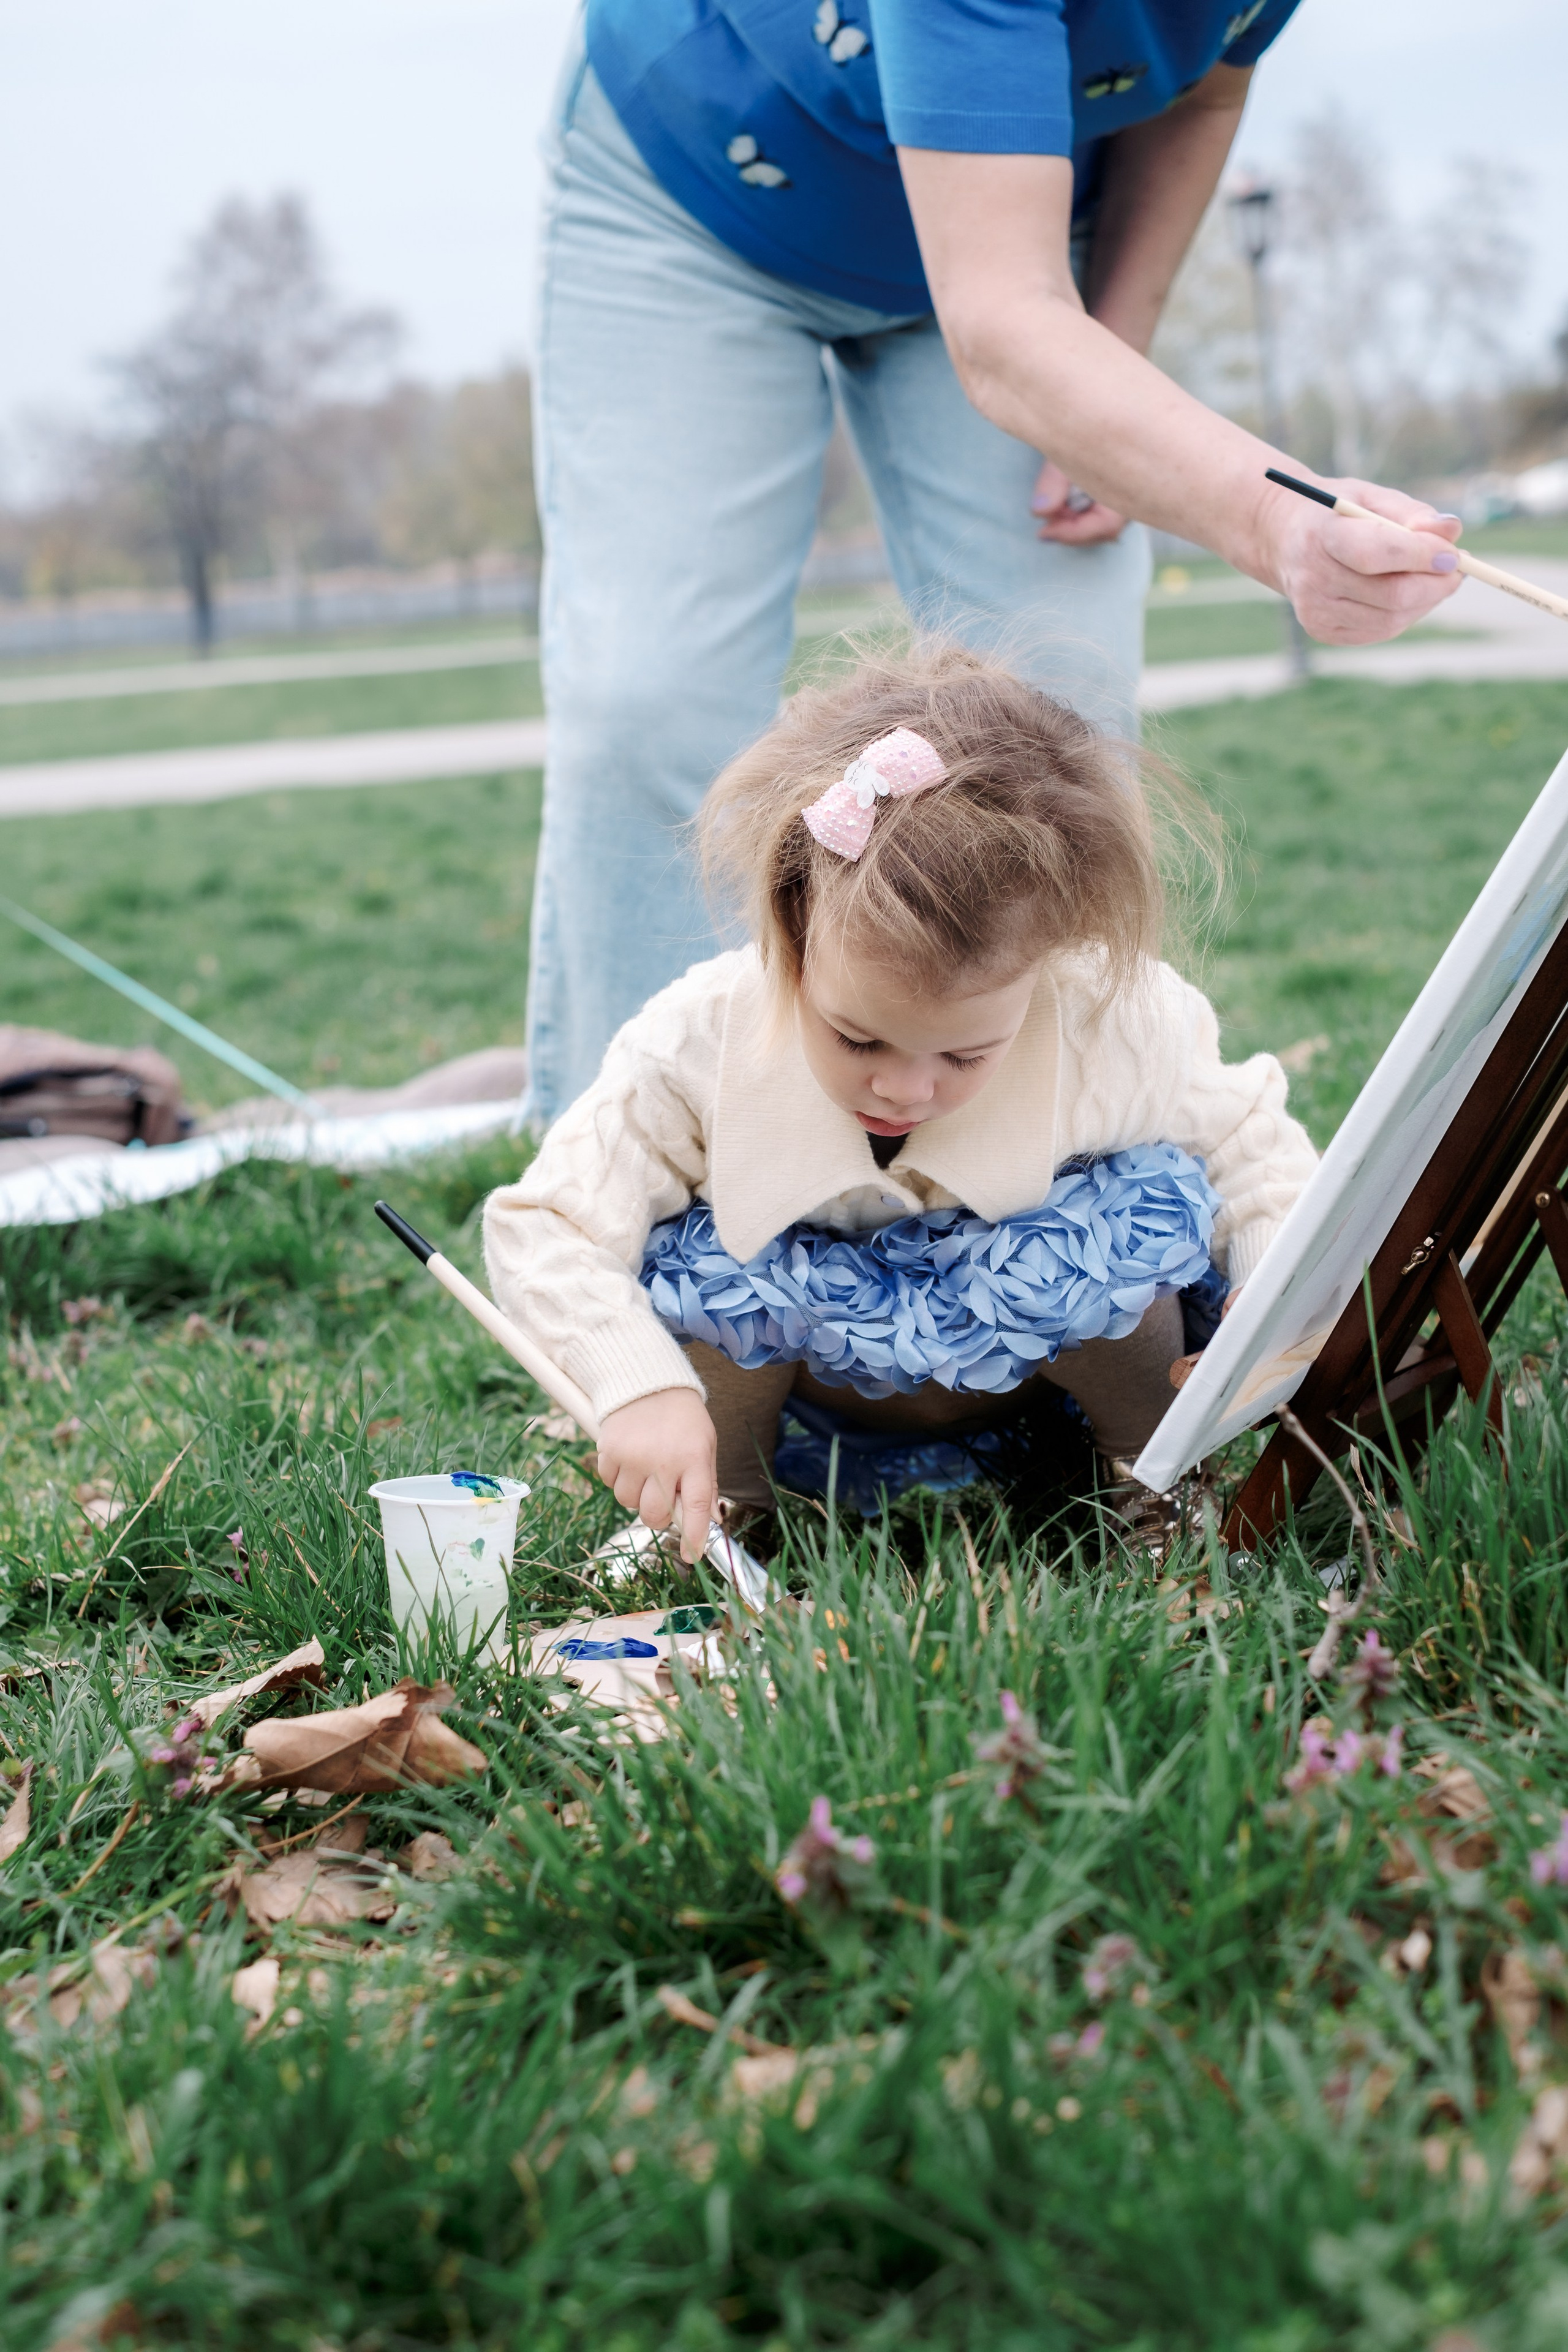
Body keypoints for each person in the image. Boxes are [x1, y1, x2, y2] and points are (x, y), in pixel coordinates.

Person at [524, 0, 1464, 1129]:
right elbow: (1002, 326)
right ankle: (628, 1172)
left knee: (1063, 719)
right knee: (654, 702)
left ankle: (1032, 1165)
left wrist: (1113, 347)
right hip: (703, 184)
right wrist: (1279, 526)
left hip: (1015, 214)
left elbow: (1211, 73)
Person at [486, 643, 1318, 1555]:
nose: (905, 1087)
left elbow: (1255, 1147)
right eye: (857, 1038)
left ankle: (1154, 1483)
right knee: (704, 1271)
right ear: (789, 933)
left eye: (965, 1052)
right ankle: (719, 1510)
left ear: (1049, 964)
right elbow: (549, 1222)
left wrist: (1275, 1288)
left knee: (1136, 1230)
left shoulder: (1110, 1020)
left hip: (1033, 1368)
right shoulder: (700, 1039)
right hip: (817, 1372)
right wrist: (639, 1384)